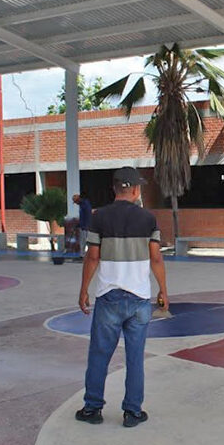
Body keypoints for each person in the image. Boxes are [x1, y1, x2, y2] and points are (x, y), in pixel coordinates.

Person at [75, 167, 168, 428]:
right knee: (135, 357)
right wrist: (163, 290)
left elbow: (93, 257)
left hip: (108, 297)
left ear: (114, 188)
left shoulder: (99, 218)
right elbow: (156, 258)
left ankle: (92, 408)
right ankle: (132, 412)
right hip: (139, 299)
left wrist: (84, 290)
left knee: (99, 354)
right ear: (136, 190)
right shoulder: (148, 219)